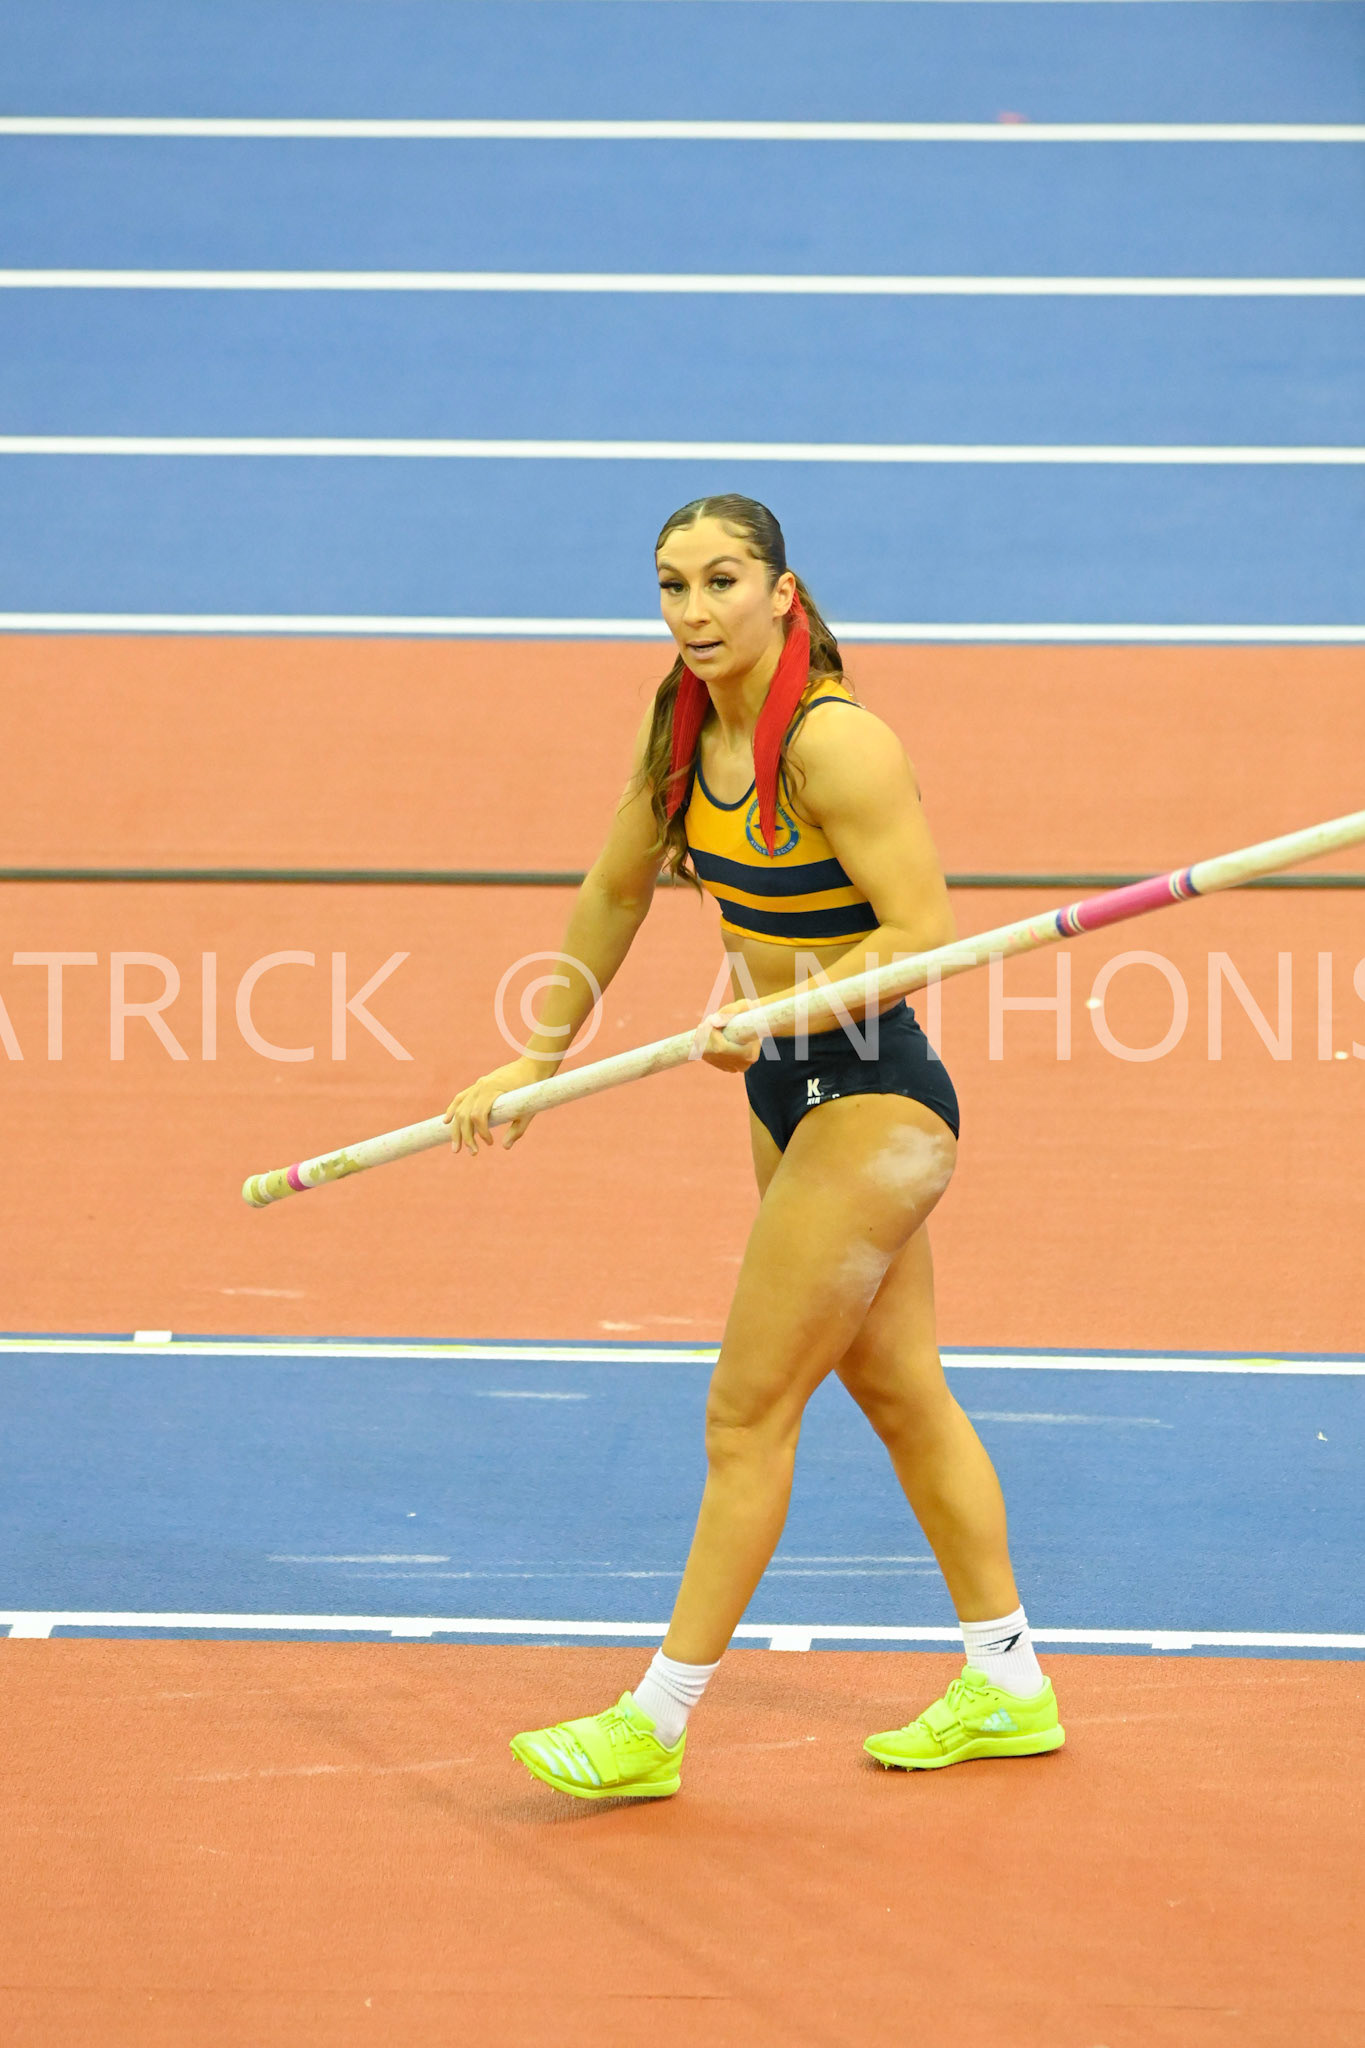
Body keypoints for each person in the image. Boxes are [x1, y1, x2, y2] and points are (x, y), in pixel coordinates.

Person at [443, 494, 1063, 1799]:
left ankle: (653, 1722)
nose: (693, 610)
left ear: (783, 592)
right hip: (781, 1091)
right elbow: (617, 887)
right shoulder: (680, 726)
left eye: (721, 581)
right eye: (671, 585)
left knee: (745, 1412)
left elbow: (922, 934)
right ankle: (1009, 1682)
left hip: (872, 1098)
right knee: (899, 1392)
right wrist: (536, 1060)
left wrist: (778, 1011)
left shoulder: (835, 744)